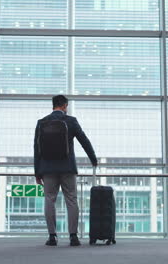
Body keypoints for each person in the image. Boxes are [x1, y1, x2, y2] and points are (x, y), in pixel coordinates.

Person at [34, 95, 98, 246]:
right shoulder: (71, 121)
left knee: (49, 200)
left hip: (48, 169)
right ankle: (73, 236)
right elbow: (84, 141)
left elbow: (36, 149)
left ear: (53, 105)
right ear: (64, 106)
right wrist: (93, 159)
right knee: (71, 200)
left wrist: (38, 172)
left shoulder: (41, 123)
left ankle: (52, 237)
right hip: (67, 168)